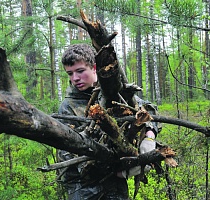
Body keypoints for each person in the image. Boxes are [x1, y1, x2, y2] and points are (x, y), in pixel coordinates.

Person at [57, 43, 160, 200]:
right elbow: (70, 156)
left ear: (94, 67)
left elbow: (148, 109)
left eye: (80, 71)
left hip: (116, 188)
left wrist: (150, 136)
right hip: (84, 191)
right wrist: (120, 169)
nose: (75, 78)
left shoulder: (112, 93)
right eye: (70, 74)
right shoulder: (68, 107)